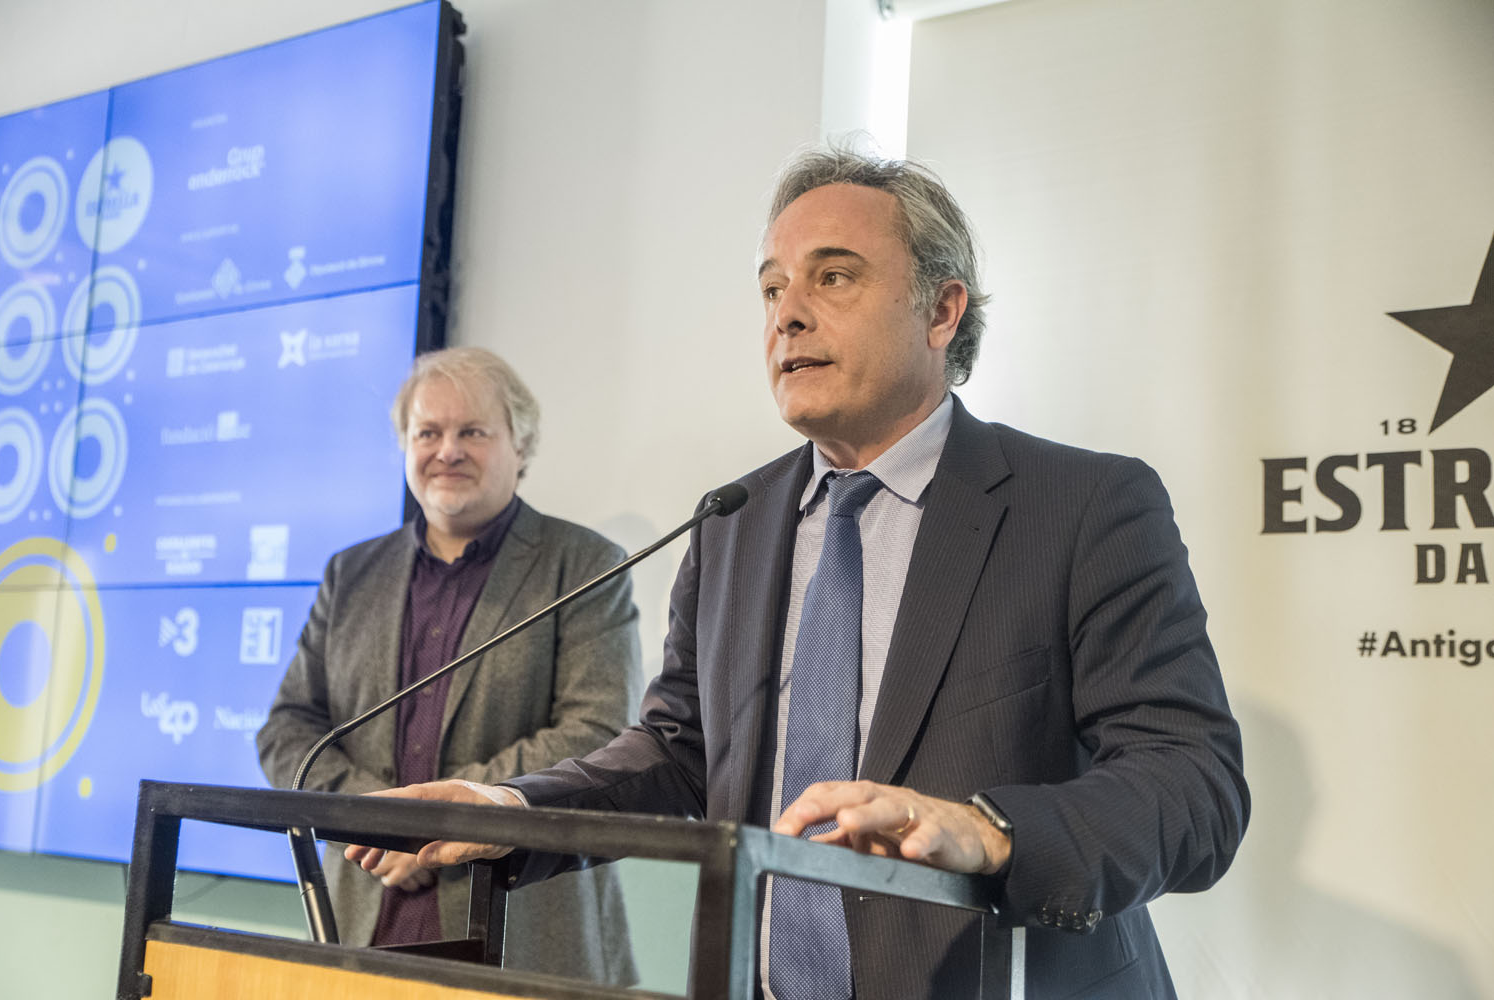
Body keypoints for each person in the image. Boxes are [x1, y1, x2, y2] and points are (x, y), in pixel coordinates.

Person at [348, 149, 1249, 999]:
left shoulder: (1081, 506)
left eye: (834, 277)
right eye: (773, 288)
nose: (787, 315)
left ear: (942, 311)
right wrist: (506, 806)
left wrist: (990, 830)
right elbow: (677, 754)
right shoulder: (732, 523)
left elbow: (1193, 784)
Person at [257, 346, 641, 985]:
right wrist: (381, 824)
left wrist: (434, 824)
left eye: (473, 432)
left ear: (521, 445)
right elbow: (287, 731)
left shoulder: (586, 565)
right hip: (359, 927)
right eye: (427, 432)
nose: (448, 451)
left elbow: (595, 734)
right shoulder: (351, 574)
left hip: (524, 931)